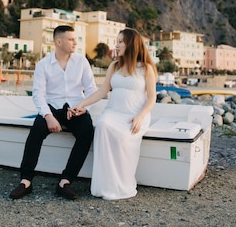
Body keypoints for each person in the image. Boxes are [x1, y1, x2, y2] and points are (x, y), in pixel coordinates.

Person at [9, 25, 98, 200]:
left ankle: (65, 181)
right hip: (52, 108)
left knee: (87, 132)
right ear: (59, 42)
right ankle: (26, 181)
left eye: (75, 39)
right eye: (71, 39)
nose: (75, 42)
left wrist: (83, 107)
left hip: (76, 108)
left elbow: (92, 90)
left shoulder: (82, 62)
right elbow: (38, 94)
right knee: (36, 132)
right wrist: (48, 116)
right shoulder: (43, 65)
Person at [69, 28, 157, 200]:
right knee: (102, 126)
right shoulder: (114, 66)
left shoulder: (146, 68)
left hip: (135, 114)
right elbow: (102, 91)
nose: (116, 45)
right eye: (117, 41)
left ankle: (122, 185)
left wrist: (140, 116)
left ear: (131, 44)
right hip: (113, 112)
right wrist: (82, 104)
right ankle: (105, 186)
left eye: (120, 41)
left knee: (123, 137)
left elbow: (152, 98)